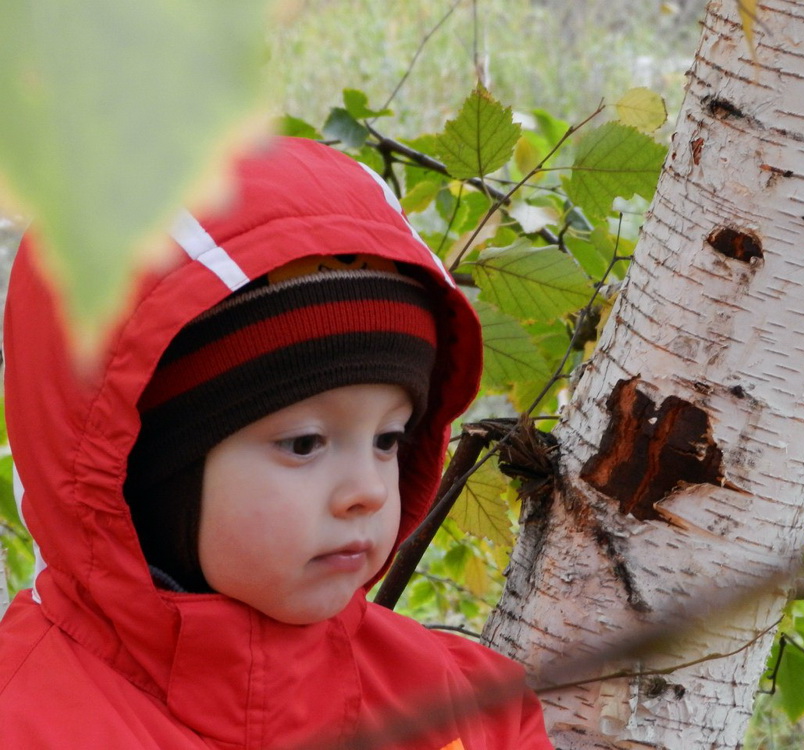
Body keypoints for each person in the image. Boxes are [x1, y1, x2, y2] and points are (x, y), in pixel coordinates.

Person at [0, 136, 553, 749]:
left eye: (388, 439)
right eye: (304, 445)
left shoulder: (465, 709)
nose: (367, 491)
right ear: (141, 470)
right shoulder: (32, 723)